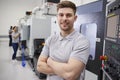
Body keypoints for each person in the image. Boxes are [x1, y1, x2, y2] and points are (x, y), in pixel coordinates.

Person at [37, 1, 90, 80]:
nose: (64, 18)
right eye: (61, 15)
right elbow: (39, 66)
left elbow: (70, 75)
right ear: (57, 17)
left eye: (68, 15)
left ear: (75, 18)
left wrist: (49, 61)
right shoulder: (51, 39)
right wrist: (64, 69)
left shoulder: (81, 41)